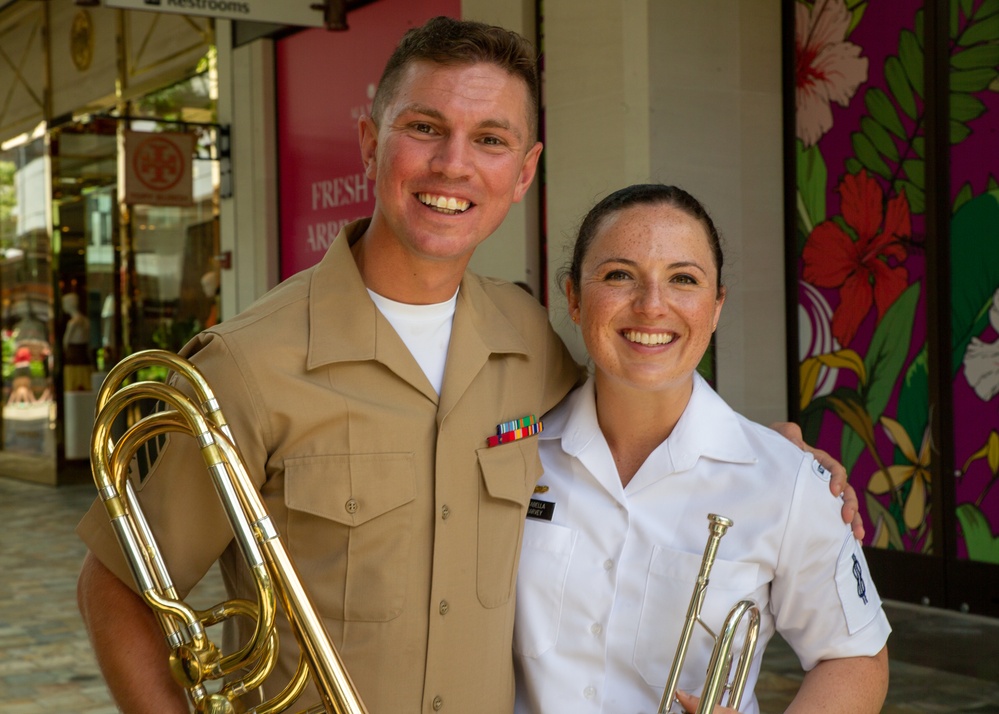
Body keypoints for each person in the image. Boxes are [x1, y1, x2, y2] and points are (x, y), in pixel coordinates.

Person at [76, 17, 862, 714]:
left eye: (489, 138)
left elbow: (639, 384)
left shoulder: (525, 337)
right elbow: (116, 585)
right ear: (368, 142)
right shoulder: (250, 365)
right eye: (424, 127)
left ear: (522, 172)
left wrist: (771, 457)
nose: (454, 165)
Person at [513, 184, 891, 714]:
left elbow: (854, 657)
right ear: (573, 298)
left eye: (683, 280)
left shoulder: (787, 482)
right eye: (620, 275)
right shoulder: (510, 453)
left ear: (716, 308)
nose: (651, 305)